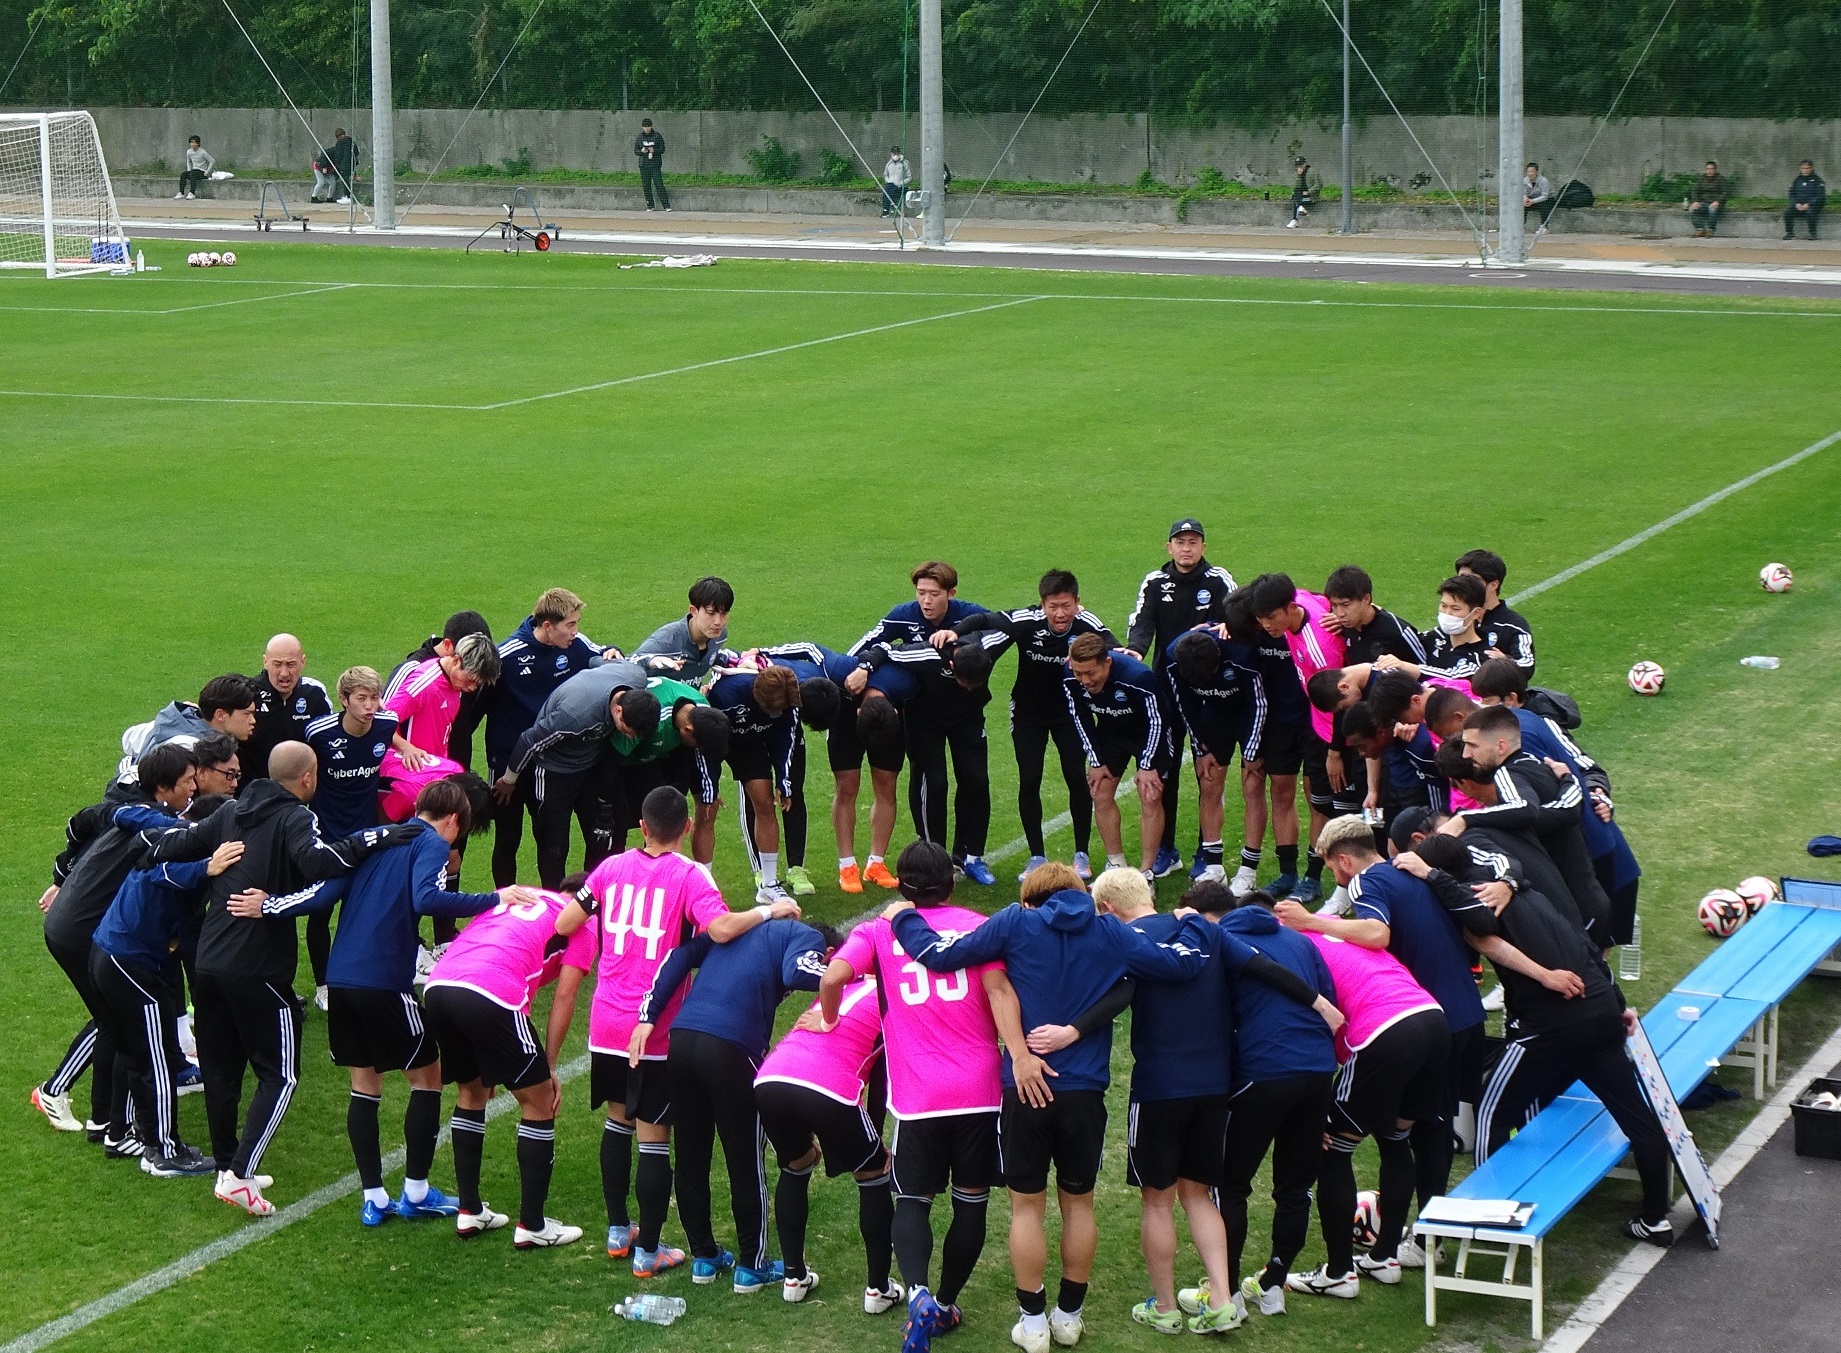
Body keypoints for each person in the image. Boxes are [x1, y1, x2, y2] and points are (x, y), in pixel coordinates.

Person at [890, 863, 1216, 1353]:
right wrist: (1192, 921)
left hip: (1024, 1087)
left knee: (1026, 1208)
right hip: (1084, 1091)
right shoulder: (1108, 929)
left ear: (1030, 898)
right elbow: (1181, 965)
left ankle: (1034, 1324)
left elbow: (939, 955)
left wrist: (903, 918)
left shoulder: (1015, 922)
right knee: (1078, 1205)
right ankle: (1069, 1317)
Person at [1035, 869, 1340, 1335]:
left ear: (1107, 909)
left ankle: (1164, 1306)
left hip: (1160, 1087)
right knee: (1198, 1195)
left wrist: (1070, 1030)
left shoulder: (1120, 939)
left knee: (1158, 1202)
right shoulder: (1208, 933)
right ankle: (1222, 1300)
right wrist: (1318, 1002)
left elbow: (1110, 993)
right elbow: (1261, 965)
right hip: (1215, 1086)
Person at [233, 778, 543, 1224]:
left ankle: (374, 1197)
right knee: (428, 1078)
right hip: (383, 982)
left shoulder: (375, 840)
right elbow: (428, 898)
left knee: (365, 1086)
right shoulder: (431, 844)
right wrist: (496, 899)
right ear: (453, 821)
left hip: (341, 981)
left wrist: (267, 906)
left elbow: (322, 895)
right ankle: (416, 1192)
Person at [140, 742, 412, 1213]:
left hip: (208, 964)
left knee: (223, 1070)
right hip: (258, 967)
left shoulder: (229, 814)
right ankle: (240, 1177)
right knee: (281, 1074)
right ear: (308, 778)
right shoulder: (295, 817)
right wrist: (375, 837)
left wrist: (190, 859)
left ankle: (228, 1165)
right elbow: (319, 863)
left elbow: (172, 844)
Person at [1406, 835, 1676, 1245]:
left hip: (1552, 1024)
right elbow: (1585, 946)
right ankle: (1656, 1218)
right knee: (1635, 1113)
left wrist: (1428, 875)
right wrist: (1617, 1001)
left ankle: (1493, 1221)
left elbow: (1484, 935)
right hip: (1600, 1009)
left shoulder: (1474, 905)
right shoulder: (1525, 888)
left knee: (1493, 1110)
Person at [818, 841, 1035, 1351]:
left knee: (912, 1200)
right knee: (971, 1203)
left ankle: (916, 1292)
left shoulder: (877, 929)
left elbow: (832, 976)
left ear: (901, 885)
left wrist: (829, 1018)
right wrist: (1018, 1054)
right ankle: (945, 1301)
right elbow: (1001, 991)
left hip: (917, 1096)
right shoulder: (980, 926)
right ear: (951, 883)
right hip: (979, 1091)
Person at [1276, 814, 1486, 1270]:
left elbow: (1377, 934)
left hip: (1416, 1015)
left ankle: (1416, 1241)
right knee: (1414, 1129)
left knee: (1411, 1133)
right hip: (1458, 1012)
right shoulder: (1407, 871)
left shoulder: (1365, 884)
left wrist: (1313, 921)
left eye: (1333, 868)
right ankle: (1415, 1240)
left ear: (1345, 860)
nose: (1335, 877)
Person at [575, 786, 769, 1276]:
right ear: (687, 827)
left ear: (641, 826)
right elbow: (721, 929)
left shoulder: (610, 867)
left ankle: (619, 1231)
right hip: (654, 1025)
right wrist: (771, 910)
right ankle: (649, 1252)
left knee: (616, 1122)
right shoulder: (689, 874)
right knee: (654, 1137)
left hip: (605, 1018)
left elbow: (565, 920)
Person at [629, 899, 839, 1291]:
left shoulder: (738, 928)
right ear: (827, 952)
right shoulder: (805, 937)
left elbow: (679, 957)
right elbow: (799, 971)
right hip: (731, 1047)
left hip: (683, 1037)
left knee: (692, 1153)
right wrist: (850, 978)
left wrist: (649, 1015)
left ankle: (704, 1258)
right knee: (746, 1157)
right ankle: (751, 1264)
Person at [1181, 884, 1341, 1323]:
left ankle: (1226, 1292)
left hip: (1262, 1071)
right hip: (1315, 1071)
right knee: (1294, 1188)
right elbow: (1330, 999)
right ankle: (1273, 1286)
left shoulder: (1220, 945)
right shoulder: (1299, 942)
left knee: (1230, 1185)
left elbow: (1216, 1017)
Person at [1276, 906, 1449, 1299]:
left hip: (1384, 1030)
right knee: (1396, 1138)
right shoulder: (1335, 929)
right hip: (1431, 1017)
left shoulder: (1294, 946)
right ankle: (1385, 1256)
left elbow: (1324, 1020)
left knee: (1331, 1148)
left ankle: (1338, 1272)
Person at [420, 876, 596, 1247]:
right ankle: (532, 1224)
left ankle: (469, 1211)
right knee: (539, 1101)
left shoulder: (524, 895)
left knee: (472, 1092)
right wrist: (548, 1069)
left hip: (439, 986)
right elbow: (565, 996)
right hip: (491, 990)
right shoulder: (584, 921)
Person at [42, 743, 200, 1155]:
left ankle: (104, 1122)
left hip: (74, 924)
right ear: (164, 786)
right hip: (82, 931)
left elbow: (81, 823)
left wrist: (62, 874)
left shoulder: (129, 807)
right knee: (119, 1021)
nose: (195, 788)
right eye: (188, 781)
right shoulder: (153, 821)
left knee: (114, 1022)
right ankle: (70, 1100)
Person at [87, 792, 237, 1177]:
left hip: (111, 954)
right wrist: (207, 867)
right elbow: (161, 872)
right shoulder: (179, 847)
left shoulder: (172, 837)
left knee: (134, 1052)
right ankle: (165, 1152)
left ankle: (123, 1134)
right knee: (155, 1059)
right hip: (130, 961)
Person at [944, 570, 1116, 881]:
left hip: (1070, 713)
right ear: (1042, 604)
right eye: (1053, 606)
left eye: (1066, 606)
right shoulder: (1026, 620)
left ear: (1078, 602)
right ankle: (1036, 855)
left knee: (1076, 777)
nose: (1060, 614)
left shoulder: (1087, 624)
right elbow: (985, 619)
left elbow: (1112, 647)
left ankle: (1082, 853)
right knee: (1030, 778)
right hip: (1028, 714)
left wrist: (1127, 652)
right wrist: (955, 634)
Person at [1471, 658, 1643, 946]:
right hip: (1592, 848)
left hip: (1585, 850)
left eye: (1486, 701)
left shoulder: (1523, 734)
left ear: (1511, 700)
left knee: (1587, 936)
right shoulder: (1529, 725)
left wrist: (1597, 792)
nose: (1481, 708)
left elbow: (1584, 767)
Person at [755, 961, 895, 1307]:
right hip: (828, 1086)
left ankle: (793, 1277)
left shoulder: (843, 986)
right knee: (873, 1172)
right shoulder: (892, 998)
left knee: (796, 1163)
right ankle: (878, 1289)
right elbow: (880, 1082)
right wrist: (874, 1144)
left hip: (770, 1079)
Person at [1125, 519, 1237, 877]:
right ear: (1168, 547)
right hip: (1167, 691)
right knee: (1165, 772)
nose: (1186, 548)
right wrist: (1136, 650)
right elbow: (1141, 622)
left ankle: (1208, 850)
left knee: (1210, 774)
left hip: (1209, 692)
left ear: (1204, 546)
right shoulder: (1156, 583)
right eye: (1180, 542)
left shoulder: (1218, 580)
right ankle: (1166, 849)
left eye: (1193, 542)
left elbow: (1236, 615)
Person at [499, 659, 661, 888]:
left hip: (589, 767)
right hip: (554, 772)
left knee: (601, 836)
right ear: (618, 710)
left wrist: (610, 653)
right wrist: (509, 780)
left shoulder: (635, 677)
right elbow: (529, 741)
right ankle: (555, 905)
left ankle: (594, 899)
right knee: (554, 844)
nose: (628, 736)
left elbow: (603, 660)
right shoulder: (574, 716)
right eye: (626, 729)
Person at [855, 635, 1003, 884]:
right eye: (922, 592)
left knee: (976, 780)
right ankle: (934, 857)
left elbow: (1004, 621)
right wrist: (863, 667)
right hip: (925, 723)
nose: (967, 688)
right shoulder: (926, 653)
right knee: (934, 782)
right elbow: (888, 649)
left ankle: (971, 857)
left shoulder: (988, 642)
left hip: (968, 720)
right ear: (953, 668)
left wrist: (961, 629)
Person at [486, 589, 608, 886]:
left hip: (549, 766)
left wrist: (613, 651)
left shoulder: (575, 644)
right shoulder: (507, 656)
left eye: (577, 623)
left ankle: (552, 907)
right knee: (507, 838)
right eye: (570, 625)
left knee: (549, 838)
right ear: (548, 626)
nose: (576, 632)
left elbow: (604, 655)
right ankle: (504, 908)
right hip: (506, 766)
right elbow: (476, 702)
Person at [760, 641, 895, 892]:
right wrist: (763, 652)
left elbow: (886, 647)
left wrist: (867, 667)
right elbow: (811, 648)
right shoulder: (828, 675)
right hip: (844, 726)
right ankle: (847, 866)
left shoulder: (885, 680)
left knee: (887, 784)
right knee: (847, 787)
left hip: (883, 718)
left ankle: (876, 863)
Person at [1249, 572, 1349, 899]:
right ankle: (1287, 873)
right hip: (1299, 719)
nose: (1266, 625)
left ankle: (1314, 876)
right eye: (1260, 618)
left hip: (1325, 728)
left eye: (1272, 617)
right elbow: (1315, 595)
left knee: (1319, 799)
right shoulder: (1300, 603)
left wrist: (1335, 751)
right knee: (1282, 790)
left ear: (1290, 609)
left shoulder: (1322, 647)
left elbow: (1339, 703)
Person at [1063, 635, 1174, 880]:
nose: (1084, 680)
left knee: (1150, 794)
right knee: (1100, 792)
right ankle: (1116, 863)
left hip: (1147, 734)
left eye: (1090, 673)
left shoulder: (1138, 677)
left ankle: (1146, 872)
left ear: (1107, 663)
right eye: (1078, 673)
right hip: (1111, 733)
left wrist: (1147, 765)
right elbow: (1078, 717)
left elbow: (1158, 720)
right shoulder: (1070, 676)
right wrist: (1096, 761)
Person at [702, 663, 809, 903]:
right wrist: (710, 784)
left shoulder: (789, 702)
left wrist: (784, 780)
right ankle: (703, 885)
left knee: (765, 803)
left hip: (749, 745)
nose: (776, 713)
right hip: (717, 738)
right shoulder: (725, 694)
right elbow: (705, 739)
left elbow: (786, 741)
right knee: (706, 808)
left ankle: (768, 884)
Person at [1165, 629, 1262, 885]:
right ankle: (1214, 867)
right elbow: (1184, 704)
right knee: (1209, 784)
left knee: (1252, 786)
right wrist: (1201, 748)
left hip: (1248, 716)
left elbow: (1259, 702)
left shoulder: (1241, 653)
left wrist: (1252, 750)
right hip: (1214, 718)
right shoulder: (1174, 658)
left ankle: (1248, 871)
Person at [119, 673, 258, 775]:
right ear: (220, 715)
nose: (253, 721)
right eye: (247, 714)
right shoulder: (191, 749)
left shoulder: (173, 721)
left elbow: (128, 738)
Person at [241, 634, 332, 782]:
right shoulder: (247, 694)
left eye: (291, 664)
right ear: (265, 662)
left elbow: (329, 737)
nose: (284, 673)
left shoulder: (315, 694)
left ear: (303, 662)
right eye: (277, 664)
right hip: (253, 795)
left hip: (297, 795)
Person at [634, 576, 736, 682]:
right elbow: (629, 663)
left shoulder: (719, 635)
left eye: (724, 613)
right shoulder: (668, 638)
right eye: (710, 613)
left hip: (689, 697)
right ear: (694, 611)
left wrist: (741, 659)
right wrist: (650, 661)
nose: (718, 622)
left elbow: (712, 657)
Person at [1453, 549, 1535, 675]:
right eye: (1461, 579)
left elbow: (1527, 665)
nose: (1464, 585)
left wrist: (1505, 662)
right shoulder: (1457, 618)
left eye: (1472, 579)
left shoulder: (1513, 625)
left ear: (1493, 585)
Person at [312, 127, 357, 204]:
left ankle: (329, 198)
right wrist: (324, 167)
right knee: (321, 182)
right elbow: (324, 154)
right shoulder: (334, 150)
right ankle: (314, 197)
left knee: (333, 182)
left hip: (330, 170)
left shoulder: (342, 154)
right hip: (319, 167)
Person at [635, 118, 670, 210]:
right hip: (644, 164)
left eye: (648, 126)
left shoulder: (657, 136)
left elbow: (662, 149)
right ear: (642, 127)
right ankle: (650, 205)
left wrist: (654, 150)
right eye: (645, 127)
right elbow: (636, 151)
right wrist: (642, 151)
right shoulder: (640, 137)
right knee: (646, 185)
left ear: (651, 126)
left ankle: (666, 205)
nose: (647, 129)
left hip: (655, 164)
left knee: (659, 184)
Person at [1786, 160, 1826, 239]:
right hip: (1799, 205)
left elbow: (1820, 196)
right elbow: (1791, 193)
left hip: (1813, 206)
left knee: (1810, 212)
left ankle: (1813, 234)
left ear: (1811, 168)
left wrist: (1808, 204)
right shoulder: (1797, 180)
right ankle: (1790, 234)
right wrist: (1796, 203)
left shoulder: (1817, 180)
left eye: (1807, 168)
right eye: (1803, 168)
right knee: (1787, 212)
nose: (1805, 170)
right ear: (1800, 169)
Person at [1688, 160, 1729, 236]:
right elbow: (1695, 191)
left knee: (1712, 208)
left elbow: (1725, 192)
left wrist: (1718, 201)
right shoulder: (1701, 179)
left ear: (1715, 170)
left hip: (1717, 203)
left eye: (1711, 169)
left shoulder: (1721, 179)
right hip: (1704, 203)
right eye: (1708, 169)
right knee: (1692, 208)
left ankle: (1711, 230)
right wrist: (1695, 201)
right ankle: (1699, 229)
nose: (1709, 171)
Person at [176, 136, 213, 200]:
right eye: (191, 142)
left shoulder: (202, 152)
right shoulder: (189, 152)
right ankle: (181, 193)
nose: (193, 144)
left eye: (194, 142)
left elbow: (212, 161)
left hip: (202, 172)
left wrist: (207, 171)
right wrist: (188, 170)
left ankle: (192, 193)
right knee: (183, 174)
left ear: (198, 143)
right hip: (194, 171)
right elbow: (189, 161)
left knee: (193, 173)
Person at [1523, 162, 1555, 230]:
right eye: (1528, 172)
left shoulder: (1543, 180)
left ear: (1536, 172)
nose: (1530, 174)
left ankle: (1544, 227)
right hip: (1533, 199)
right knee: (1522, 206)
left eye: (1532, 172)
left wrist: (1533, 201)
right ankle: (1520, 225)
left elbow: (1545, 196)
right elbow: (1524, 193)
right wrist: (1525, 200)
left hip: (1548, 199)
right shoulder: (1525, 180)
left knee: (1545, 205)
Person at [882, 146, 911, 216]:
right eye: (894, 153)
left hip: (901, 185)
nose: (895, 155)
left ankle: (891, 208)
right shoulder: (889, 164)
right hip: (890, 184)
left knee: (893, 190)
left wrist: (901, 183)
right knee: (886, 190)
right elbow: (885, 174)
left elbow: (909, 177)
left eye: (897, 153)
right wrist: (888, 180)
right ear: (891, 154)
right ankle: (886, 208)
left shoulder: (904, 163)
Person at [1286, 156, 1313, 228]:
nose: (1299, 167)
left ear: (1305, 164)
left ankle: (1295, 220)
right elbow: (1297, 186)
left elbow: (1319, 184)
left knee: (1296, 197)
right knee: (1296, 194)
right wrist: (1299, 176)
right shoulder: (1297, 173)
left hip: (1311, 195)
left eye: (1301, 165)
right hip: (1301, 195)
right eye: (1297, 165)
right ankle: (1299, 209)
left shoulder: (1311, 171)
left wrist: (1309, 191)